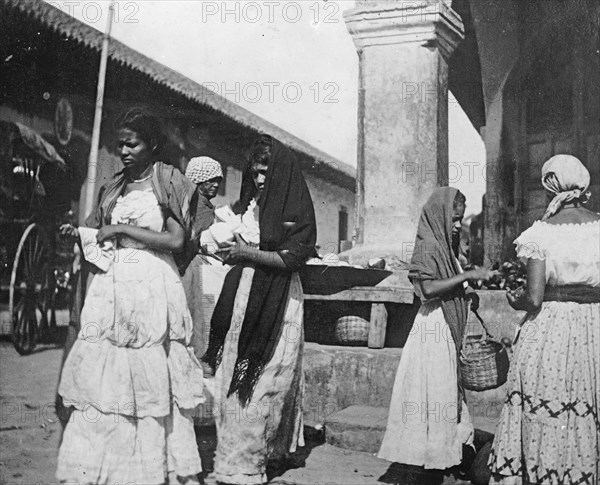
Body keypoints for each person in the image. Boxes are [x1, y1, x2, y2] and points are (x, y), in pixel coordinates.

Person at [56, 107, 204, 485]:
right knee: (108, 374)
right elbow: (102, 232)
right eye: (120, 144)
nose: (124, 151)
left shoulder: (166, 180)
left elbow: (176, 239)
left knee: (149, 369)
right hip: (114, 286)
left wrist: (123, 227)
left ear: (151, 144)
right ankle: (108, 465)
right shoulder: (115, 185)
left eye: (132, 144)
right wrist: (82, 233)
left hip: (152, 284)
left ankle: (150, 467)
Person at [201, 134, 317, 485]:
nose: (260, 180)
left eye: (266, 172)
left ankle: (251, 462)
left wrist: (247, 254)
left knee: (265, 376)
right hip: (243, 297)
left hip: (277, 300)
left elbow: (293, 256)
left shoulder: (294, 206)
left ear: (280, 172)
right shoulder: (253, 205)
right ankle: (231, 458)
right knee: (233, 372)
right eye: (256, 173)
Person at [489, 154, 600, 484]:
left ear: (549, 185)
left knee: (549, 407)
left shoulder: (541, 233)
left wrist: (515, 299)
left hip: (552, 328)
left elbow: (534, 297)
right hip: (594, 326)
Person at [377, 187, 498, 483]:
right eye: (454, 220)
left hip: (444, 326)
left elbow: (448, 284)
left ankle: (439, 456)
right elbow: (427, 290)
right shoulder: (428, 245)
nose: (457, 225)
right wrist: (467, 277)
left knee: (442, 393)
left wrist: (466, 293)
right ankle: (428, 459)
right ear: (441, 215)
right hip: (433, 328)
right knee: (434, 392)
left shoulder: (444, 246)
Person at [182, 156, 225, 363]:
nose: (215, 185)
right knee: (196, 312)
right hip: (193, 265)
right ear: (198, 181)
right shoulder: (198, 205)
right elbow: (192, 237)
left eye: (218, 180)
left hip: (197, 264)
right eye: (210, 180)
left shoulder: (204, 204)